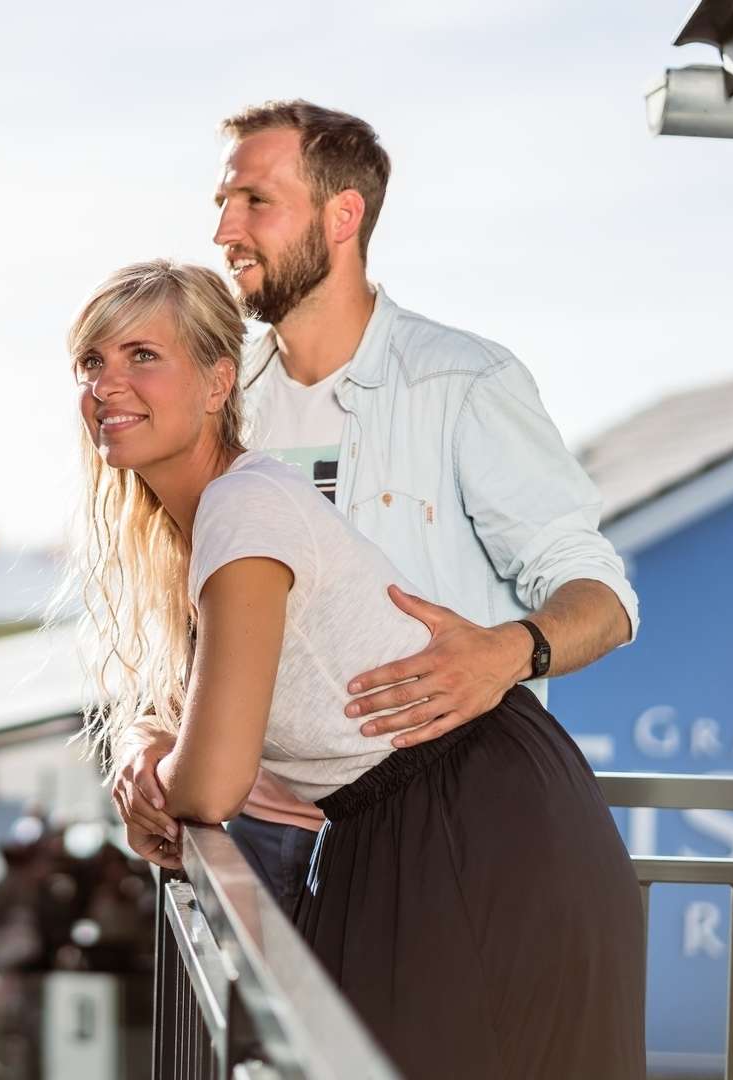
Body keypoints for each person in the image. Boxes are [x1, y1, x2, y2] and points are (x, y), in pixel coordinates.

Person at [67, 260, 644, 1077]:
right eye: (92, 363)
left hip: (474, 825)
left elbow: (211, 784)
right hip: (402, 822)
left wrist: (169, 772)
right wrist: (144, 746)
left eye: (141, 356)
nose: (108, 383)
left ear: (217, 381)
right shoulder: (215, 516)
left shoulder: (242, 508)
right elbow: (189, 711)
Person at [109, 101, 640, 915]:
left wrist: (508, 652)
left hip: (437, 832)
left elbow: (601, 598)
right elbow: (174, 599)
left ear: (342, 215)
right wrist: (146, 733)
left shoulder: (464, 383)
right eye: (222, 204)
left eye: (256, 201)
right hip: (244, 835)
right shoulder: (214, 392)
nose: (226, 232)